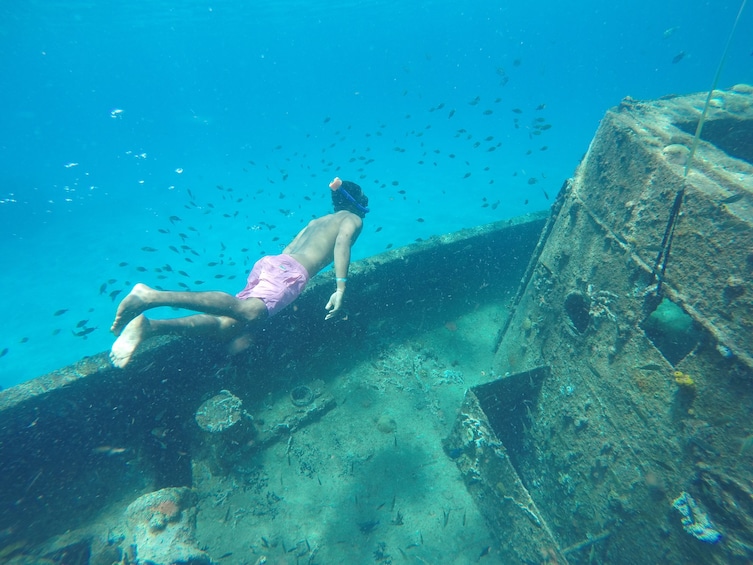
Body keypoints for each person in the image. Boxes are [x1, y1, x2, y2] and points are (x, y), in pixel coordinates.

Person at [109, 177, 369, 368]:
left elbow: (288, 249)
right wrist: (340, 287)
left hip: (272, 263)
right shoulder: (353, 219)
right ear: (356, 202)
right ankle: (152, 296)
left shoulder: (317, 221)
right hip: (292, 272)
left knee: (229, 324)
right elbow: (341, 244)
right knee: (250, 312)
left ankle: (151, 327)